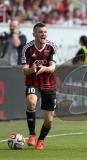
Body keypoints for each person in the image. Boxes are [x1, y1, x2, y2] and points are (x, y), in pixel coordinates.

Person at [21, 22, 57, 150]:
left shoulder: (51, 47)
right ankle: (32, 134)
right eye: (41, 32)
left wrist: (44, 68)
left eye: (45, 32)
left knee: (49, 120)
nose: (43, 34)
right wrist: (32, 70)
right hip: (33, 82)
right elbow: (24, 70)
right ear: (34, 34)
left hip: (48, 84)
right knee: (31, 101)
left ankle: (41, 140)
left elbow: (53, 67)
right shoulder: (27, 48)